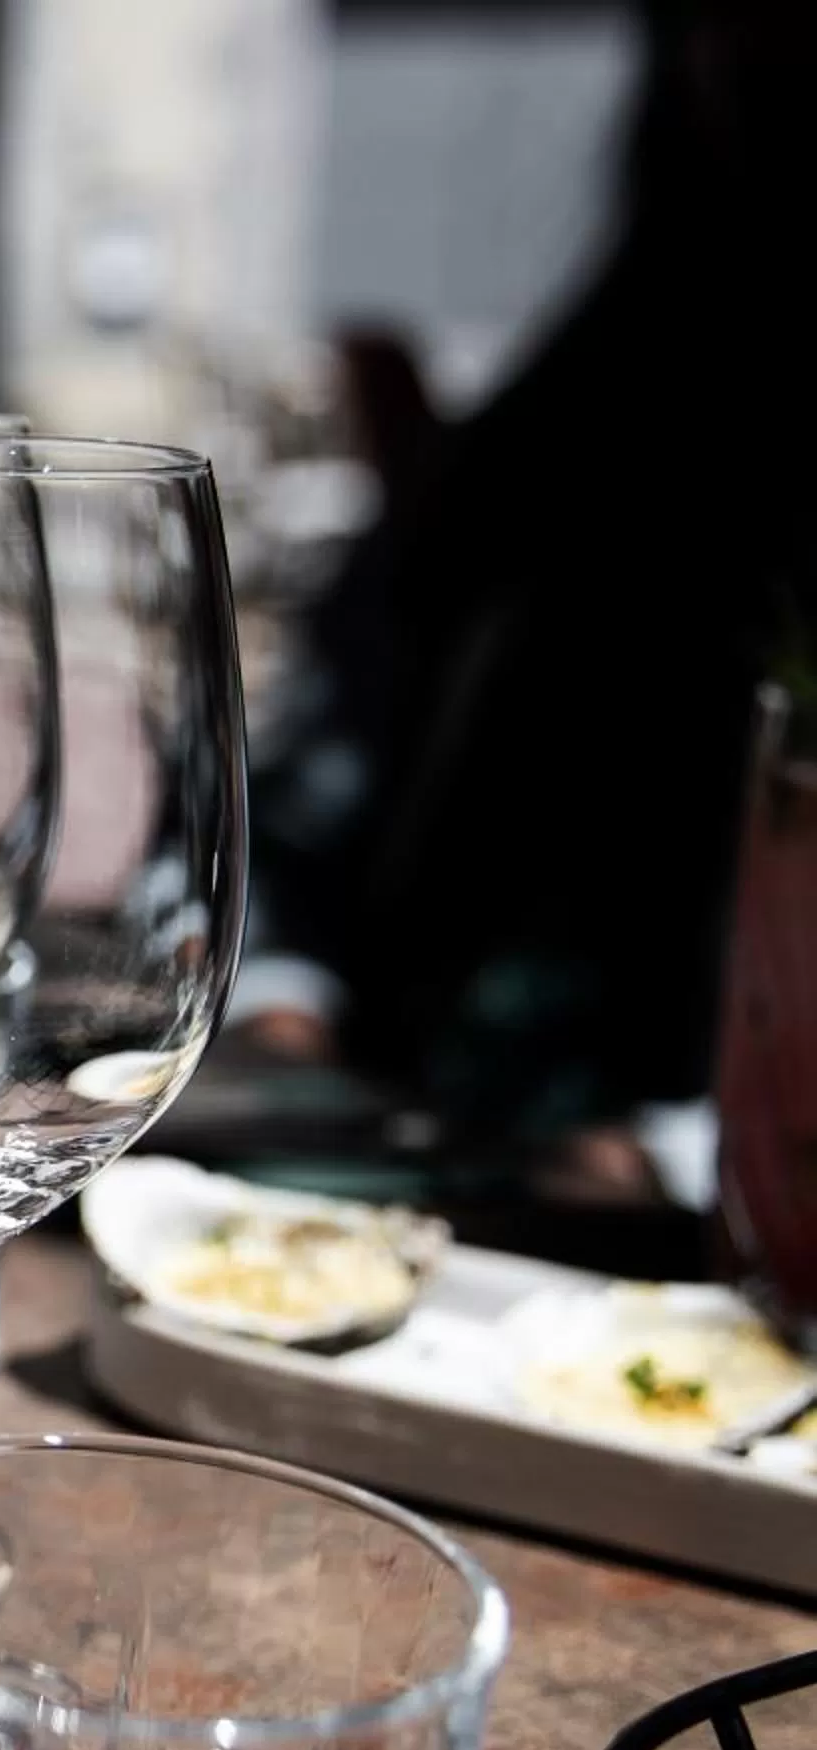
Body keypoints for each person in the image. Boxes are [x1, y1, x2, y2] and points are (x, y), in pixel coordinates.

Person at [245, 0, 817, 1149]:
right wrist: (280, 996)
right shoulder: (543, 449)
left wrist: (690, 1152)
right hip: (422, 1163)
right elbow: (288, 808)